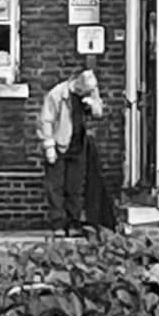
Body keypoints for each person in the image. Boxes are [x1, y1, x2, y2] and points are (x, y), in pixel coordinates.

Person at [39, 66, 115, 233]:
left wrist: (92, 104)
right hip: (59, 144)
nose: (87, 92)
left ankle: (73, 222)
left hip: (78, 145)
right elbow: (46, 121)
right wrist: (49, 146)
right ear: (77, 83)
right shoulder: (57, 94)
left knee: (75, 187)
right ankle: (58, 223)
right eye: (85, 90)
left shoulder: (89, 91)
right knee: (56, 187)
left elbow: (98, 113)